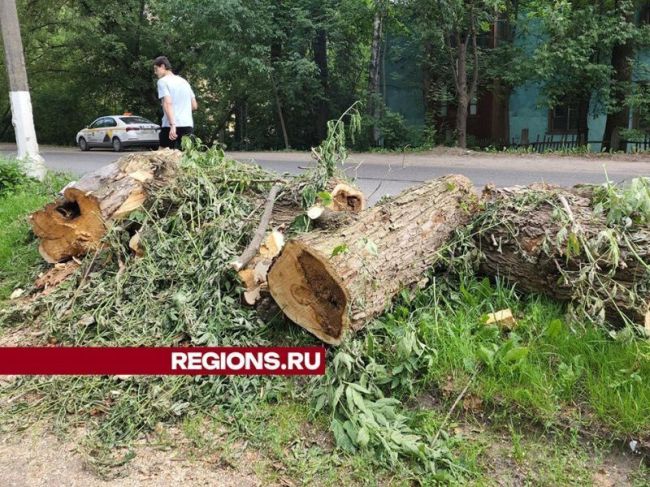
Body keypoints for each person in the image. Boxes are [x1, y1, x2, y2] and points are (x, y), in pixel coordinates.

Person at [153, 56, 198, 149]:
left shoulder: (162, 81)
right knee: (186, 158)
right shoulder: (184, 81)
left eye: (156, 69)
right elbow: (194, 106)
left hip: (170, 125)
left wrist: (172, 125)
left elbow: (167, 103)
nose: (155, 72)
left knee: (162, 156)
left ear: (162, 66)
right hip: (187, 124)